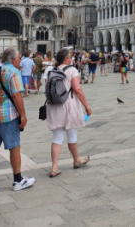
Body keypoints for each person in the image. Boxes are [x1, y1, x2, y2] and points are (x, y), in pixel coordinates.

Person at [0, 47, 34, 198]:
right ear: (13, 60)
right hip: (7, 116)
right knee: (14, 148)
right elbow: (16, 95)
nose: (20, 62)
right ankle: (18, 180)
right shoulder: (13, 72)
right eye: (19, 59)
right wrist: (23, 115)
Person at [47, 48, 93, 177]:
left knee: (57, 138)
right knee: (72, 135)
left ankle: (54, 167)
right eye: (70, 57)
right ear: (66, 59)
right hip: (69, 105)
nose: (71, 58)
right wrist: (86, 106)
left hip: (54, 106)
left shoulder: (52, 70)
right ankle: (76, 160)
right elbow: (77, 89)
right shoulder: (72, 70)